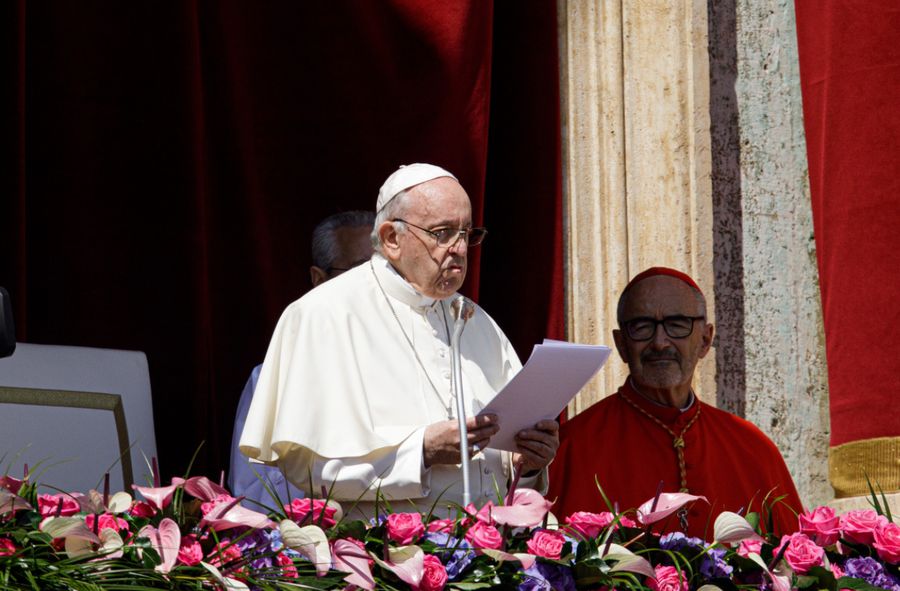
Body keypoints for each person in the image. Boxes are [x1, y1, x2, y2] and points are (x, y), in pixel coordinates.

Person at [239, 163, 559, 516]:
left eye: (467, 233)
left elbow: (502, 471)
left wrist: (526, 465)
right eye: (442, 233)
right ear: (392, 238)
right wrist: (421, 451)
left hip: (487, 556)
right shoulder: (324, 314)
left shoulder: (475, 321)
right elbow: (308, 468)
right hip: (381, 560)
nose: (460, 249)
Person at [548, 267, 803, 538]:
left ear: (705, 339)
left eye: (677, 325)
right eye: (642, 326)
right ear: (622, 344)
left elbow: (796, 567)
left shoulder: (753, 449)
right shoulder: (572, 447)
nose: (659, 342)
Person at [229, 210, 376, 506]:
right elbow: (251, 501)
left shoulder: (415, 366)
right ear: (318, 279)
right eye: (362, 273)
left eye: (387, 273)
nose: (377, 289)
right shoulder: (274, 380)